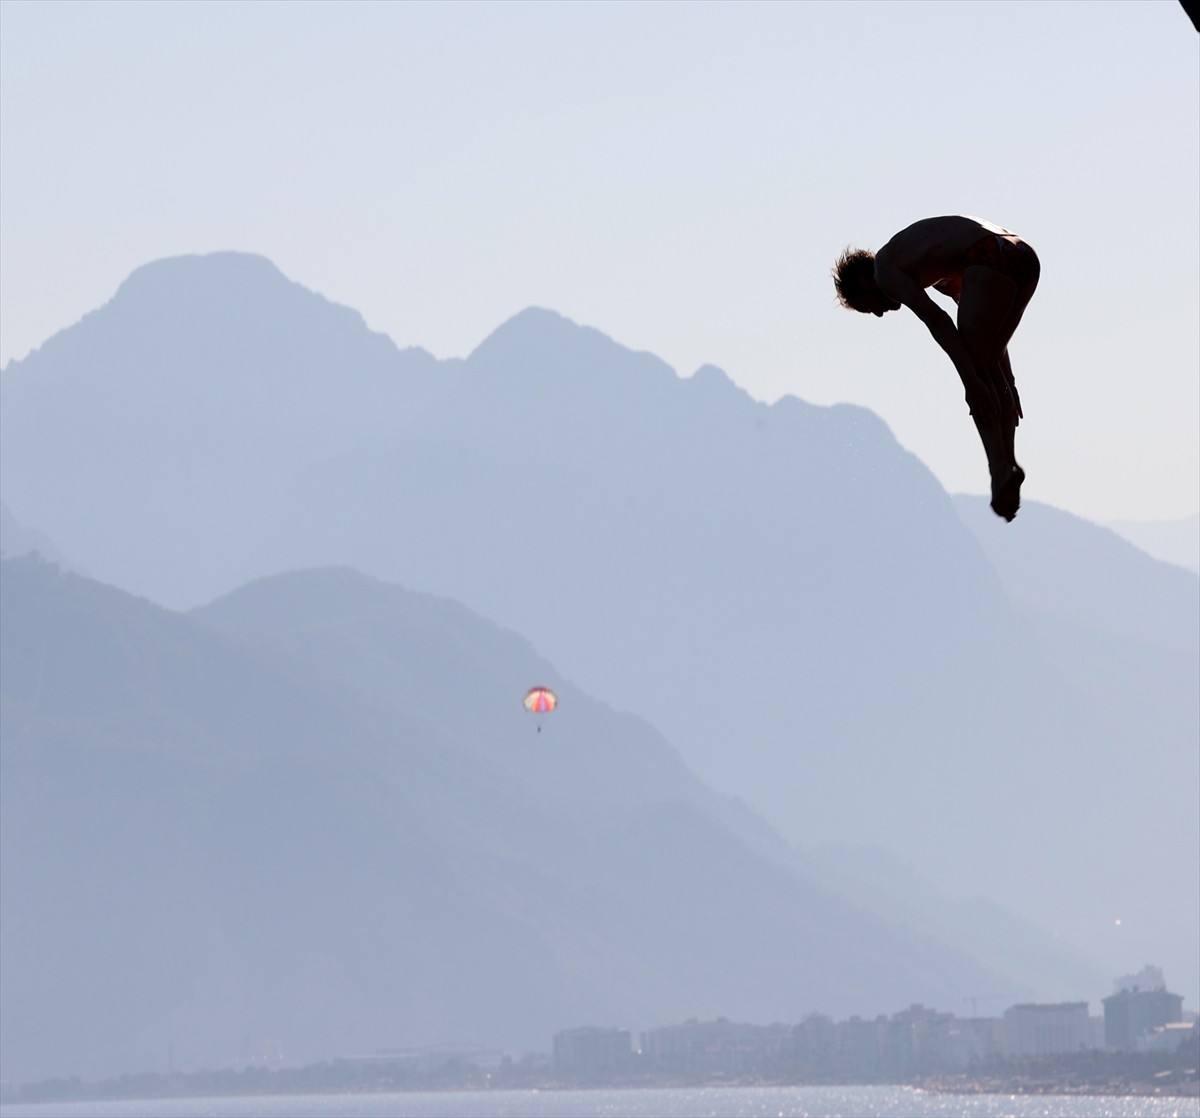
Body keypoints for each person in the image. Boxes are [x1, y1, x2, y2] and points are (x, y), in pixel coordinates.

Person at [833, 215, 1040, 521]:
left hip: (989, 254)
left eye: (867, 306)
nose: (877, 314)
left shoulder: (885, 270)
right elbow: (988, 329)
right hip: (1022, 255)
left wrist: (970, 383)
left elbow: (937, 320)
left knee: (977, 371)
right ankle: (1007, 462)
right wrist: (1009, 379)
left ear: (864, 283)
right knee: (988, 365)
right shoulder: (934, 266)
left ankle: (999, 467)